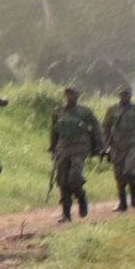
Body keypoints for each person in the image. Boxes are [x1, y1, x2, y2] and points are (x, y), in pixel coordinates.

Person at [49, 86, 100, 222]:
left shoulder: (85, 112)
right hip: (63, 148)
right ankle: (66, 213)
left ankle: (81, 197)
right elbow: (54, 132)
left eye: (72, 94)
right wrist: (52, 148)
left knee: (74, 177)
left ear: (77, 96)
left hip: (80, 148)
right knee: (62, 181)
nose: (69, 97)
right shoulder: (58, 112)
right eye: (67, 94)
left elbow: (96, 129)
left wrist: (99, 147)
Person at [104, 86, 135, 211]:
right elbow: (105, 127)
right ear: (118, 95)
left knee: (129, 170)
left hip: (133, 145)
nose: (124, 96)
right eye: (122, 94)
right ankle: (122, 202)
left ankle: (134, 196)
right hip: (117, 146)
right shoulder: (112, 110)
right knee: (119, 175)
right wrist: (106, 146)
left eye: (126, 94)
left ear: (130, 96)